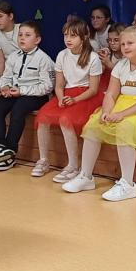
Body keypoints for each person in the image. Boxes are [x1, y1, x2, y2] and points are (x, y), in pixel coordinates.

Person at [62, 26, 136, 201]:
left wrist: (121, 114)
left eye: (130, 43)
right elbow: (111, 94)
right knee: (93, 125)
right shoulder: (121, 65)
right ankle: (85, 176)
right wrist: (106, 111)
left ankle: (128, 184)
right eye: (123, 44)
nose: (125, 47)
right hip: (123, 103)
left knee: (125, 128)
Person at [34, 17, 104, 181]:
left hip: (85, 95)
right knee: (43, 117)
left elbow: (93, 89)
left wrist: (75, 100)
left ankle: (73, 165)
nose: (68, 39)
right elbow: (59, 85)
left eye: (73, 36)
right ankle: (43, 160)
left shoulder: (93, 58)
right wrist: (60, 98)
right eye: (66, 35)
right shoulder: (62, 55)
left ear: (84, 37)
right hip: (67, 93)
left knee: (66, 119)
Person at [0, 20, 56, 172]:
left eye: (27, 35)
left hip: (36, 95)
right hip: (15, 92)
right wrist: (5, 86)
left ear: (37, 40)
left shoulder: (44, 59)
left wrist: (23, 91)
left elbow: (47, 87)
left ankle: (10, 152)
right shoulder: (14, 56)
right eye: (20, 35)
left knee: (18, 110)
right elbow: (6, 75)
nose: (22, 38)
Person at [0, 0, 19, 82]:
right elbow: (0, 61)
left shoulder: (22, 29)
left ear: (10, 16)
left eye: (0, 16)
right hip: (11, 72)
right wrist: (3, 83)